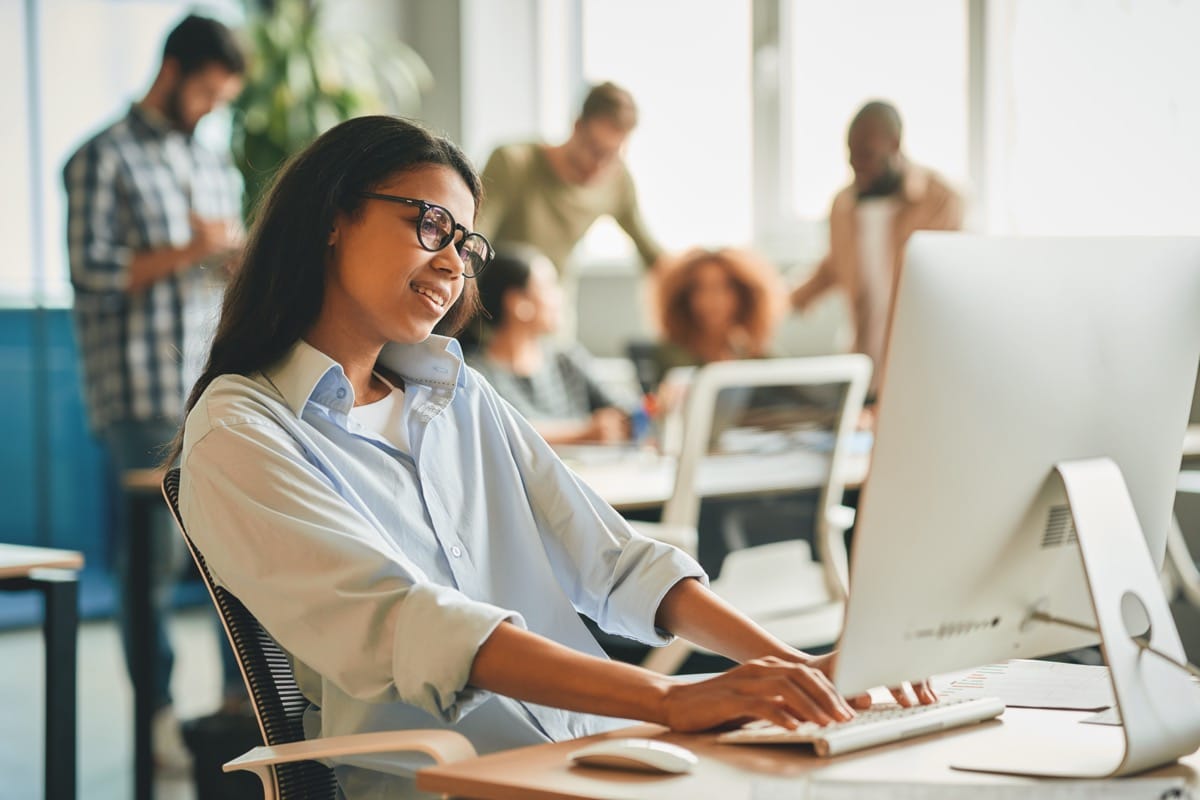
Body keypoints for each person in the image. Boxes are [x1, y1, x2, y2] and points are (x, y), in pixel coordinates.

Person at [172, 115, 934, 798]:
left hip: (586, 752)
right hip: (443, 780)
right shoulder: (240, 432)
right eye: (431, 225)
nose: (452, 266)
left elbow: (615, 562)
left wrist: (796, 673)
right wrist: (670, 701)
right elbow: (412, 623)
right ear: (332, 216)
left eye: (465, 245)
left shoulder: (455, 396)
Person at [63, 13, 246, 772]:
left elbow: (217, 265)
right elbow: (94, 274)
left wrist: (232, 260)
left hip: (210, 387)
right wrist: (192, 250)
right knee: (156, 561)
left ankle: (243, 713)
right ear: (172, 70)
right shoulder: (99, 159)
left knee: (238, 548)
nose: (209, 107)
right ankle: (159, 719)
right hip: (138, 388)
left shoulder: (213, 164)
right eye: (204, 90)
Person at [789, 100, 963, 397]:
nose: (857, 164)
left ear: (894, 145)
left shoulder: (940, 198)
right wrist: (774, 303)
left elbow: (955, 279)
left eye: (867, 154)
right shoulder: (843, 205)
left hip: (923, 369)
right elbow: (834, 266)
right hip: (864, 368)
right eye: (851, 155)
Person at [475, 82, 662, 281]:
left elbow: (653, 255)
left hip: (554, 304)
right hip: (497, 303)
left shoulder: (618, 183)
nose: (600, 166)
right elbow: (474, 239)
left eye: (612, 155)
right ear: (577, 127)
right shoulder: (512, 164)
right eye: (595, 150)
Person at [467, 243, 631, 445]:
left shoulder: (567, 360)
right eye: (550, 286)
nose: (560, 297)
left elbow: (623, 408)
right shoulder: (476, 375)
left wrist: (655, 406)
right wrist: (583, 433)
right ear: (518, 303)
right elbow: (501, 433)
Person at [649, 246, 784, 388]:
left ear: (743, 296)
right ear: (685, 298)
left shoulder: (757, 354)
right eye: (700, 289)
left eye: (723, 288)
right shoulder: (671, 355)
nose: (711, 300)